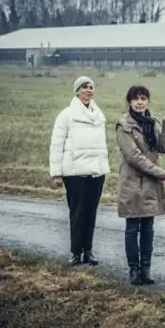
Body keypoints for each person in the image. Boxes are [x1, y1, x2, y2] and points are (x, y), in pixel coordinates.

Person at [115, 85, 165, 286]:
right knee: (133, 227)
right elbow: (134, 157)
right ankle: (134, 271)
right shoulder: (123, 125)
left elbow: (163, 147)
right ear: (129, 102)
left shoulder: (153, 122)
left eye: (143, 98)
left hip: (150, 183)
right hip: (132, 183)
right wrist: (161, 173)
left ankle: (146, 270)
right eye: (135, 99)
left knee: (148, 227)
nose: (140, 102)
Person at [49, 75, 109, 267]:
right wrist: (56, 173)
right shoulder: (66, 115)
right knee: (77, 213)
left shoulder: (99, 116)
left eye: (91, 87)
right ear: (77, 91)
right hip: (75, 173)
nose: (88, 90)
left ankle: (88, 252)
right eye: (84, 87)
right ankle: (76, 252)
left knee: (91, 213)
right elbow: (56, 145)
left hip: (96, 173)